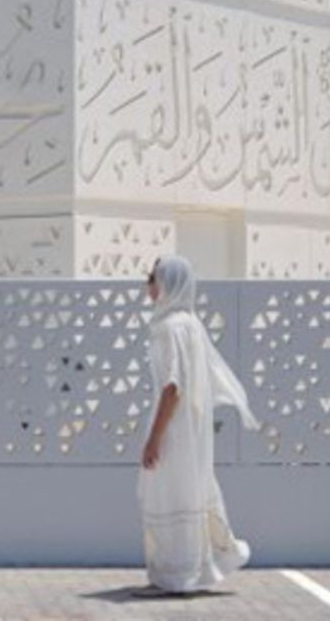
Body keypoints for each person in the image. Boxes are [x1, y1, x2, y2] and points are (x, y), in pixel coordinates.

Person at [137, 253, 260, 594]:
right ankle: (190, 570)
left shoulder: (169, 327)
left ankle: (175, 575)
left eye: (153, 277)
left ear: (169, 282)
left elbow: (172, 387)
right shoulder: (190, 324)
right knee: (189, 491)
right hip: (189, 429)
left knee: (166, 494)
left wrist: (154, 440)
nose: (148, 284)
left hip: (174, 430)